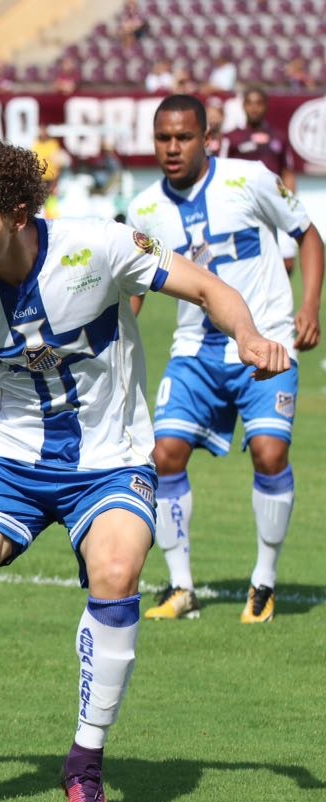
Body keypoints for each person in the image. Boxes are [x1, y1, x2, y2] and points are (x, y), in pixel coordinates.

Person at [0, 138, 288, 802]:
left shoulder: (103, 246)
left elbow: (206, 287)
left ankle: (85, 764)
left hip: (110, 461)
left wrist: (247, 334)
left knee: (116, 572)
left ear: (19, 212)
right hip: (12, 461)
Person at [129, 95, 322, 623]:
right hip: (194, 350)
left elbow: (307, 234)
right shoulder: (145, 209)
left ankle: (263, 580)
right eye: (163, 138)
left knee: (268, 454)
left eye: (183, 137)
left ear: (206, 138)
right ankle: (182, 587)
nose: (172, 148)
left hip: (266, 340)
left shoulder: (251, 179)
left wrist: (309, 305)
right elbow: (132, 285)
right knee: (163, 455)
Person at [221, 87, 300, 274]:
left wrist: (290, 202)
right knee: (244, 265)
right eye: (250, 103)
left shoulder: (278, 138)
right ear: (244, 106)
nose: (254, 108)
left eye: (259, 103)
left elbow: (287, 172)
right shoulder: (231, 138)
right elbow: (220, 173)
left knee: (286, 263)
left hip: (275, 206)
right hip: (242, 207)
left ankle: (280, 301)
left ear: (265, 106)